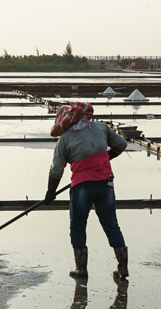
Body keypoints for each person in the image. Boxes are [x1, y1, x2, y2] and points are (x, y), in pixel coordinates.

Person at [45, 102, 129, 279]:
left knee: (78, 226)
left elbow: (56, 170)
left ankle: (81, 269)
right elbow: (121, 144)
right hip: (105, 184)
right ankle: (122, 268)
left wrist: (50, 192)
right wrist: (104, 158)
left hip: (82, 186)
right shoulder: (101, 128)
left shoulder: (65, 138)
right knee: (111, 225)